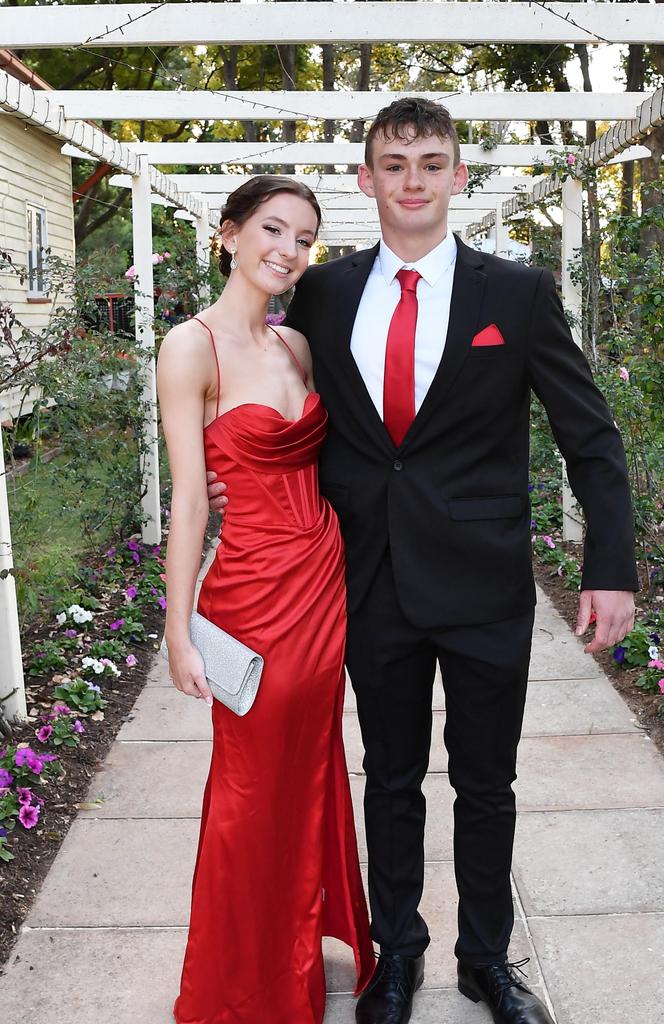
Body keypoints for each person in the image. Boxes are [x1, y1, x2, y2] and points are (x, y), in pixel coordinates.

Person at [208, 99, 638, 1024]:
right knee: (391, 780)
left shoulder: (515, 295)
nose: (412, 180)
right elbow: (278, 404)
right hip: (368, 581)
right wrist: (232, 482)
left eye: (431, 163)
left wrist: (612, 568)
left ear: (458, 178)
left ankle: (486, 959)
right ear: (366, 181)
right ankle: (395, 957)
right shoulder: (321, 294)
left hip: (485, 582)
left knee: (486, 783)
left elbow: (590, 437)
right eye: (393, 164)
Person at [157, 175, 375, 1024]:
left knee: (312, 767)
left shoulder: (297, 350)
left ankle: (295, 947)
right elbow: (189, 498)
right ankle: (242, 981)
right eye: (273, 230)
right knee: (250, 788)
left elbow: (321, 465)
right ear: (229, 234)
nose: (288, 250)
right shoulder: (192, 346)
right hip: (250, 595)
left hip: (324, 583)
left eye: (304, 238)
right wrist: (179, 628)